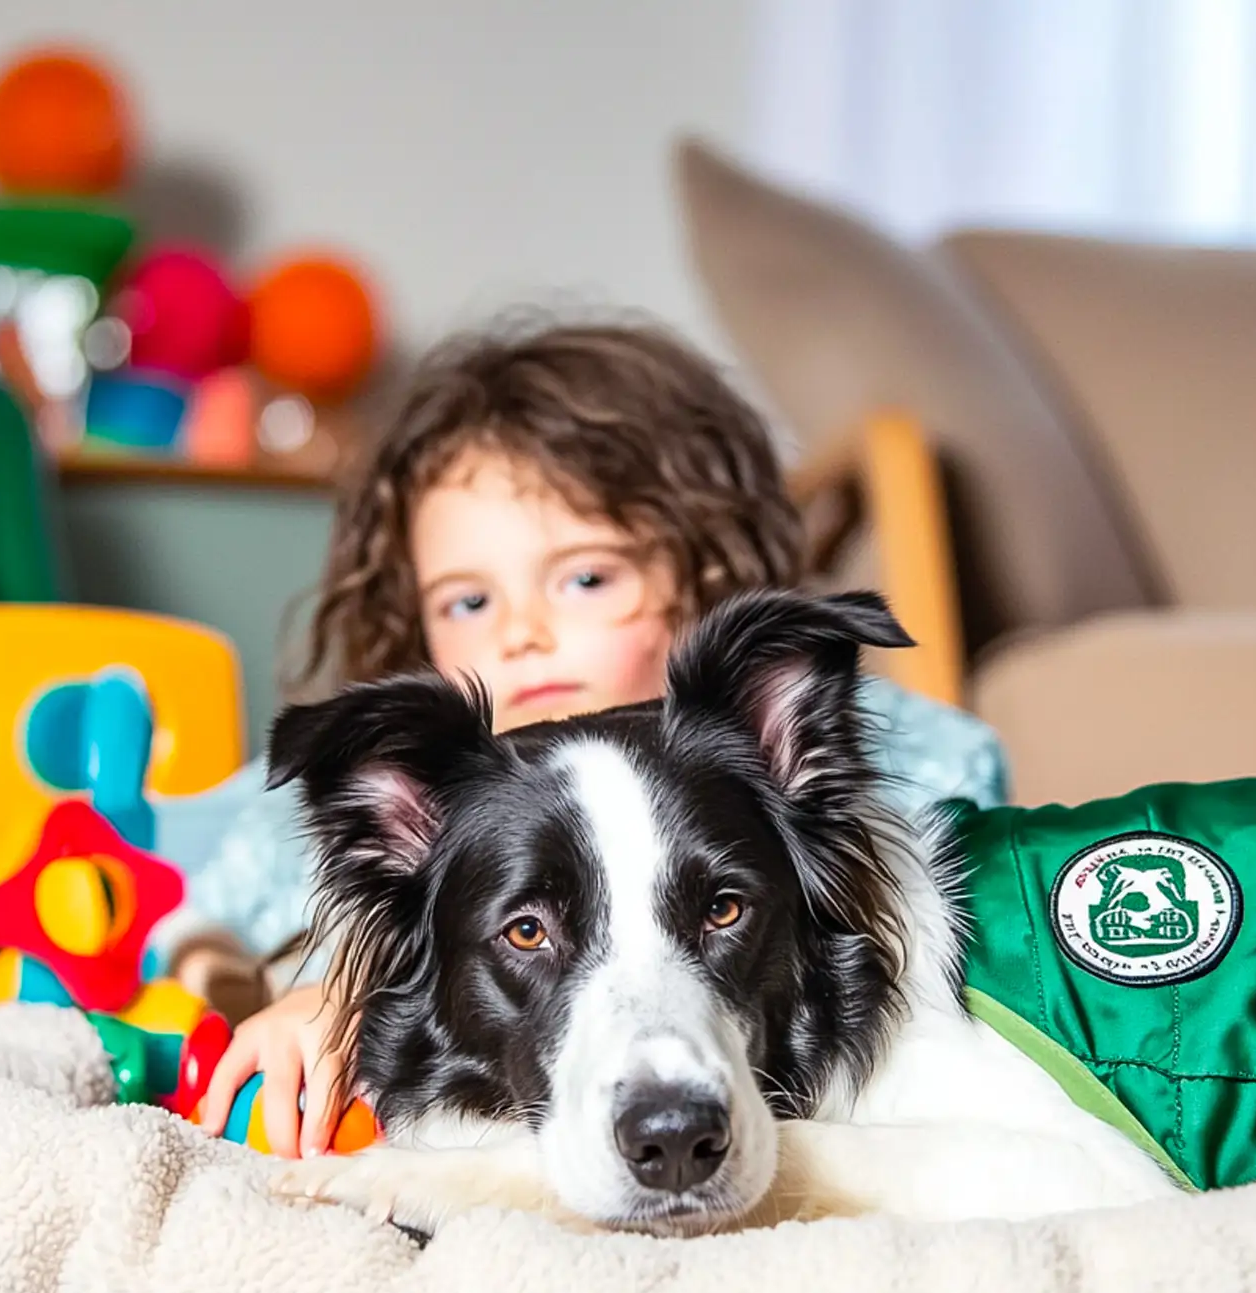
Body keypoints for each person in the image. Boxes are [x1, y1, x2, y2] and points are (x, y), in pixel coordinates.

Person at [154, 318, 1009, 1157]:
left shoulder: (872, 750)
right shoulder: (386, 793)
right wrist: (325, 994)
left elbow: (935, 900)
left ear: (704, 573)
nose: (522, 631)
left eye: (586, 577)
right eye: (469, 602)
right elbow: (180, 895)